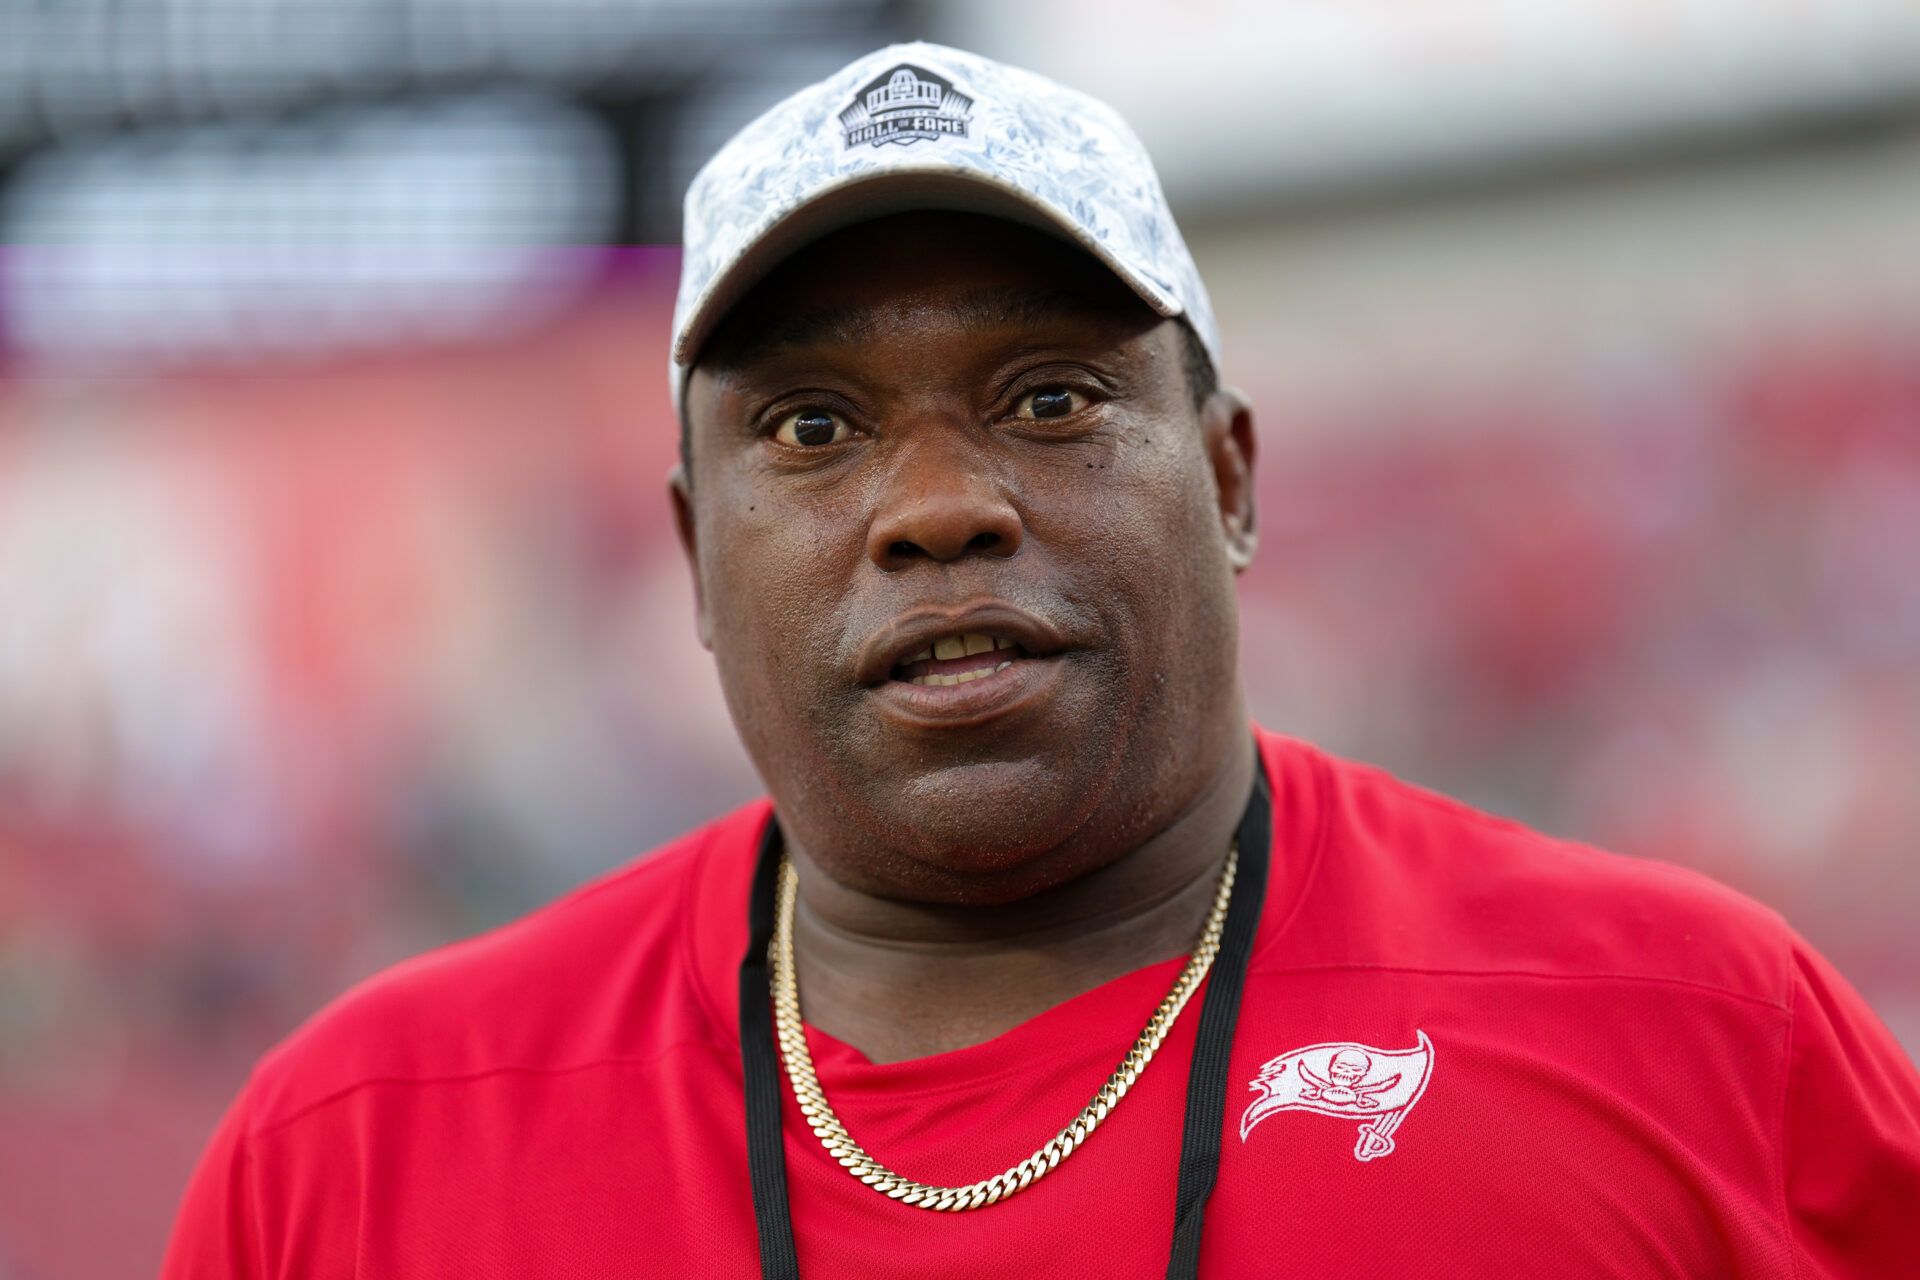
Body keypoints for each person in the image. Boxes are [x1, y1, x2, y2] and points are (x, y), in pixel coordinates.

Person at [163, 41, 1920, 1279]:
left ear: (1230, 472)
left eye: (1052, 399)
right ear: (697, 556)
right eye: (812, 426)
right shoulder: (361, 1149)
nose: (936, 509)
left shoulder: (1690, 1036)